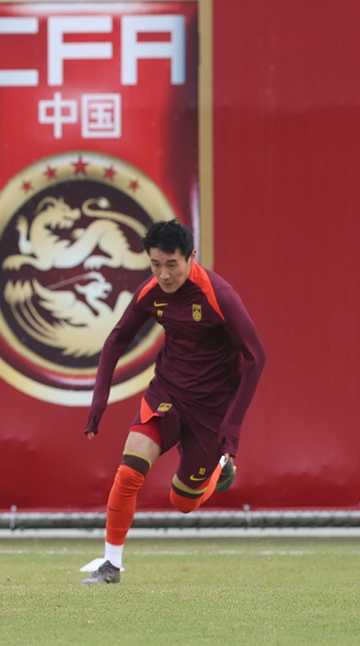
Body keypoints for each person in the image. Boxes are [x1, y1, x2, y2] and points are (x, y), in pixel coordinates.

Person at [81, 219, 265, 585]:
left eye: (171, 265)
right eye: (155, 264)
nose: (163, 274)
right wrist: (99, 399)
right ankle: (110, 565)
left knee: (182, 502)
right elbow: (117, 339)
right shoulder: (152, 291)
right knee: (129, 470)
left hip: (211, 409)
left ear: (192, 258)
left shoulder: (219, 295)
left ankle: (218, 469)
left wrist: (231, 426)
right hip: (167, 394)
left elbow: (256, 357)